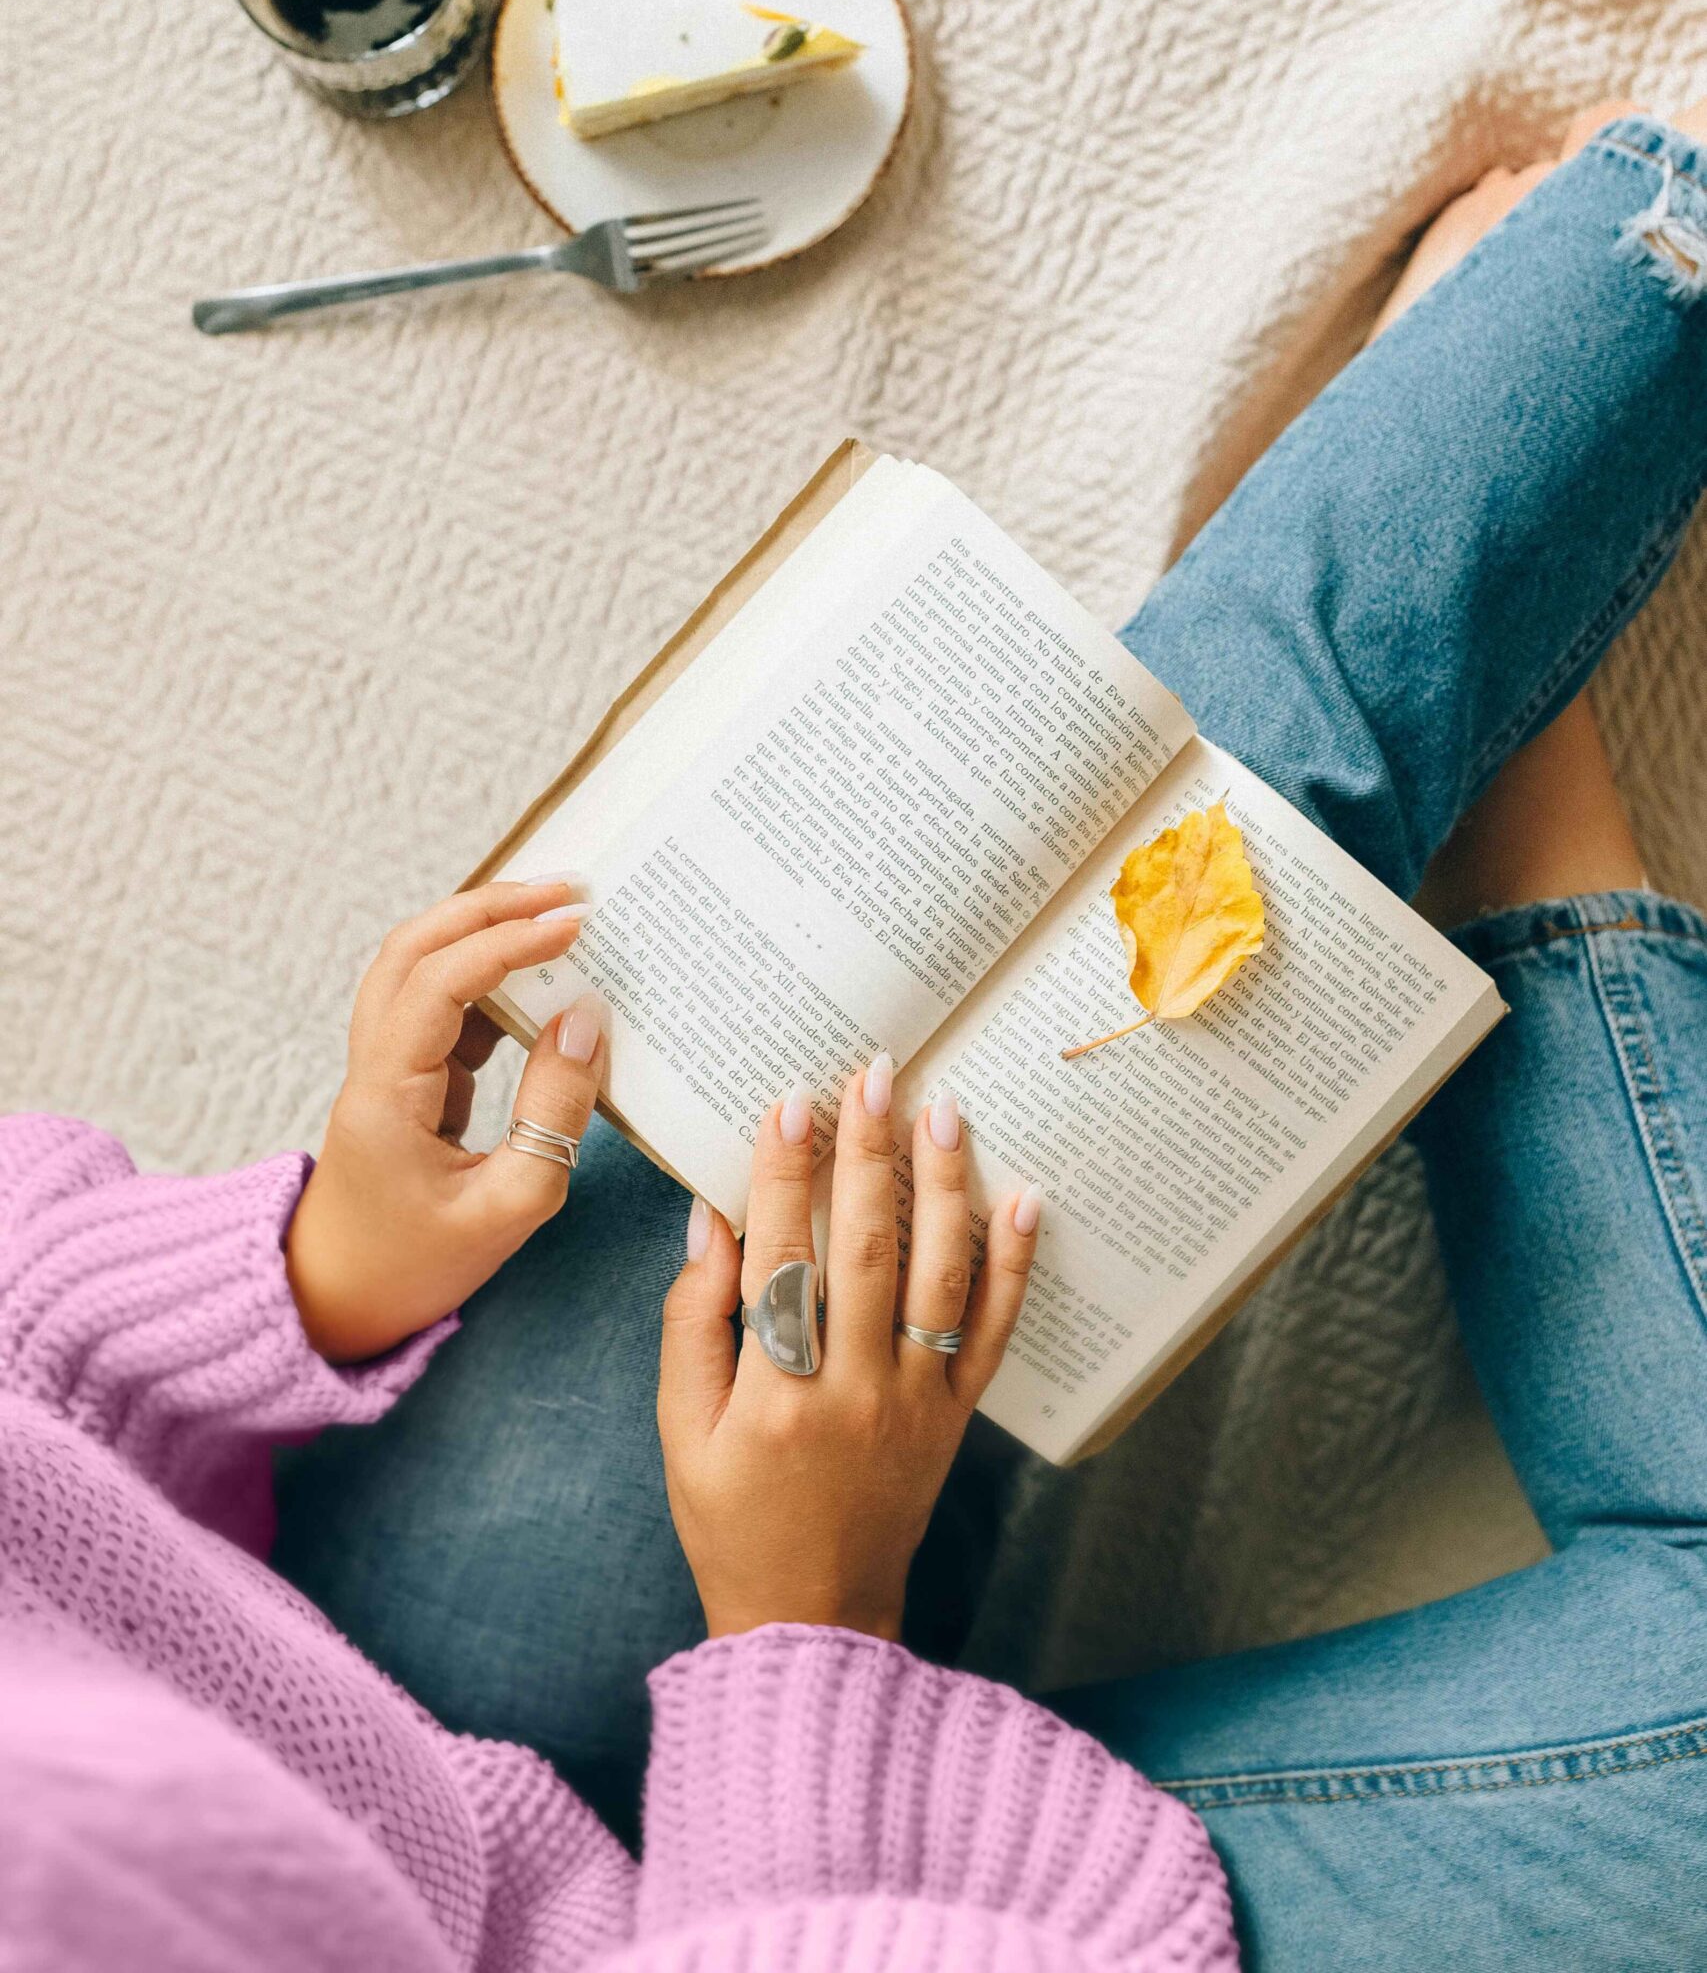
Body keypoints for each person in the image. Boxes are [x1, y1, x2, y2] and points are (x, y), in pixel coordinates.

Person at [5, 104, 1705, 1970]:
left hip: (376, 1663)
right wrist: (805, 1619)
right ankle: (1518, 754)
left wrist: (315, 1271)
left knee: (1143, 839)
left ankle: (1620, 330)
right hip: (869, 1913)